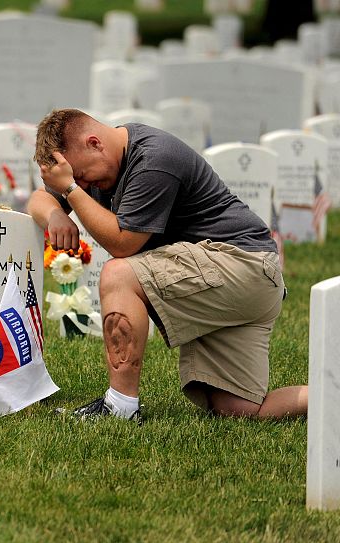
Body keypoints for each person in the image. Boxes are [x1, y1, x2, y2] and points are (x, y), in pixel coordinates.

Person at [29, 109, 308, 422]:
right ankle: (330, 393)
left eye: (79, 176)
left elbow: (123, 244)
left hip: (242, 265)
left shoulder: (153, 158)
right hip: (250, 280)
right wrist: (56, 214)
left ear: (94, 143)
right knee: (239, 410)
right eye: (73, 180)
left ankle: (120, 407)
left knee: (119, 274)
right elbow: (39, 199)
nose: (81, 184)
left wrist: (70, 191)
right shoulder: (96, 164)